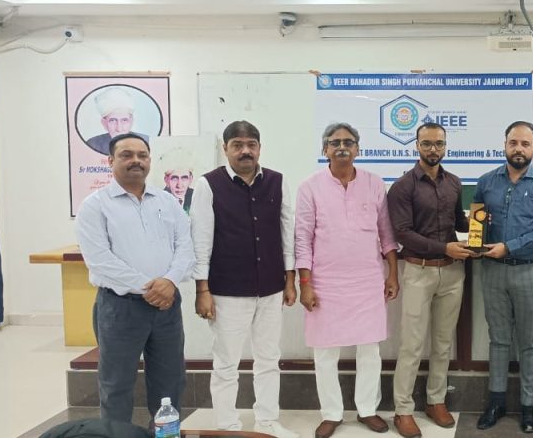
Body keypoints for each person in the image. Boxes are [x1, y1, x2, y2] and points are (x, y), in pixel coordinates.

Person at [75, 133, 194, 425]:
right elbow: (100, 261)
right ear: (110, 161)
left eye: (142, 155)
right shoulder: (95, 205)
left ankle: (166, 433)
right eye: (126, 155)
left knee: (170, 381)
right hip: (120, 307)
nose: (136, 161)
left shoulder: (167, 201)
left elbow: (185, 246)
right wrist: (153, 288)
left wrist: (169, 282)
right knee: (116, 384)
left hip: (167, 308)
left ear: (150, 160)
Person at [190, 121, 298, 438]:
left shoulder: (277, 181)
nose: (245, 151)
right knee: (226, 363)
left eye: (251, 144)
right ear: (225, 148)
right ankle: (227, 426)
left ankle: (267, 422)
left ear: (259, 148)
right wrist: (202, 289)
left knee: (269, 359)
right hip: (227, 290)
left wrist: (289, 279)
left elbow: (287, 233)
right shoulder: (208, 184)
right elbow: (201, 240)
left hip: (271, 288)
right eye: (237, 145)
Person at [295, 122, 399, 438]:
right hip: (325, 282)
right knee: (325, 351)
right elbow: (302, 239)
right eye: (335, 142)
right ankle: (331, 413)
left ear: (358, 148)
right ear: (324, 149)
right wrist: (305, 284)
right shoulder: (310, 187)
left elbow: (387, 234)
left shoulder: (374, 183)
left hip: (368, 280)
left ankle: (367, 409)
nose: (342, 147)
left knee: (370, 349)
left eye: (348, 142)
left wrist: (392, 274)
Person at [473, 121, 533, 433]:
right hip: (493, 272)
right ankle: (496, 402)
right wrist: (476, 242)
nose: (519, 149)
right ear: (505, 145)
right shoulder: (486, 182)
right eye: (513, 143)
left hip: (529, 270)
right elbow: (477, 224)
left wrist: (509, 246)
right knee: (498, 339)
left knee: (529, 342)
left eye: (525, 143)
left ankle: (529, 406)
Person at [387, 122, 472, 438]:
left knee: (443, 342)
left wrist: (480, 224)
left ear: (446, 146)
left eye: (438, 143)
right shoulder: (402, 187)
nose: (433, 149)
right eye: (427, 144)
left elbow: (459, 222)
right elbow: (403, 233)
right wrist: (444, 247)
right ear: (416, 145)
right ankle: (403, 410)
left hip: (452, 273)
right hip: (418, 271)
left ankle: (436, 401)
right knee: (412, 344)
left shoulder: (454, 183)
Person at [86, 86, 149, 155]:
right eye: (113, 120)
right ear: (104, 123)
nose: (119, 129)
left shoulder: (147, 141)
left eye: (124, 120)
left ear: (131, 121)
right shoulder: (93, 144)